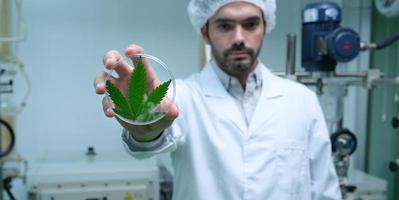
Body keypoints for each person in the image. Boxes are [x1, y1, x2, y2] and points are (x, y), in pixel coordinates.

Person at [94, 0, 341, 199]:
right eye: (225, 26)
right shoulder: (184, 96)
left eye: (251, 24)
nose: (239, 37)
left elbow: (325, 191)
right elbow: (153, 135)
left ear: (265, 27)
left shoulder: (302, 101)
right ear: (205, 32)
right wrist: (145, 130)